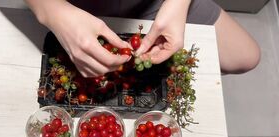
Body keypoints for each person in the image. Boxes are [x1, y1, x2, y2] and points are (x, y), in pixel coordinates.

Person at [25, 0, 260, 77]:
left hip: (156, 3)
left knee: (246, 56)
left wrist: (180, 3)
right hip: (75, 5)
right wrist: (51, 10)